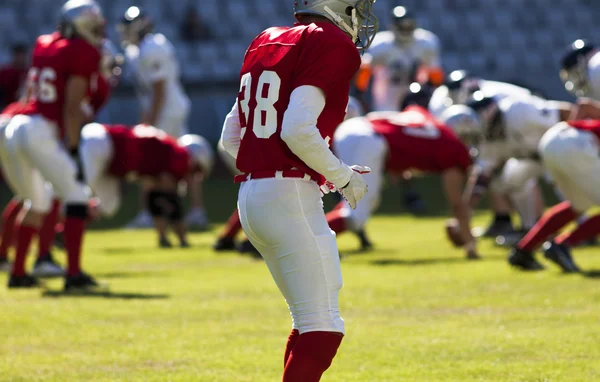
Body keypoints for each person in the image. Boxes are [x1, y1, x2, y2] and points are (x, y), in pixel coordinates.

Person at [220, 1, 378, 380]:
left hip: (253, 196)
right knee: (323, 327)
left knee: (309, 320)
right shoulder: (331, 42)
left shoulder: (267, 39)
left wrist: (295, 173)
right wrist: (341, 176)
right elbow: (296, 129)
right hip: (285, 195)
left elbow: (231, 137)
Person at [0, 0, 105, 289]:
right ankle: (73, 275)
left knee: (39, 202)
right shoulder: (83, 50)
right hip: (38, 129)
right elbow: (72, 107)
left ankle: (19, 273)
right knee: (77, 197)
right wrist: (72, 149)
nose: (99, 30)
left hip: (15, 124)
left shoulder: (45, 43)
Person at [327, 105, 480, 258]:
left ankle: (316, 236)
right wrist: (469, 242)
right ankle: (311, 242)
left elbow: (403, 133)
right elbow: (457, 204)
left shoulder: (426, 118)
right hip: (367, 139)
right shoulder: (454, 147)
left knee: (359, 204)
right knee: (356, 215)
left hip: (354, 128)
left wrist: (399, 167)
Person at [118, 7, 206, 229]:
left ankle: (150, 213)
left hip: (167, 111)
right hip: (166, 109)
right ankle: (194, 211)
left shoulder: (153, 47)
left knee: (153, 162)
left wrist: (149, 121)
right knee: (181, 160)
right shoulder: (139, 49)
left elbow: (159, 89)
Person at [79, 123, 213, 247]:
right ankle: (64, 227)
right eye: (197, 171)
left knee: (109, 205)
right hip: (102, 143)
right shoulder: (180, 155)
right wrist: (182, 238)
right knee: (79, 195)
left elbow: (154, 188)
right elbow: (168, 196)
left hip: (107, 153)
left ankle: (69, 228)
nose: (194, 176)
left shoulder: (167, 147)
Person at [508, 120, 600, 272]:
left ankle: (523, 250)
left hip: (552, 139)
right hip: (577, 143)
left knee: (579, 204)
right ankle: (562, 245)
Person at [358, 6, 443, 112]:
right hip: (386, 101)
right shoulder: (380, 45)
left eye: (408, 26)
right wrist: (361, 97)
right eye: (402, 26)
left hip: (416, 100)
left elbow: (436, 76)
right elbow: (363, 77)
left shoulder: (426, 42)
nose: (405, 30)